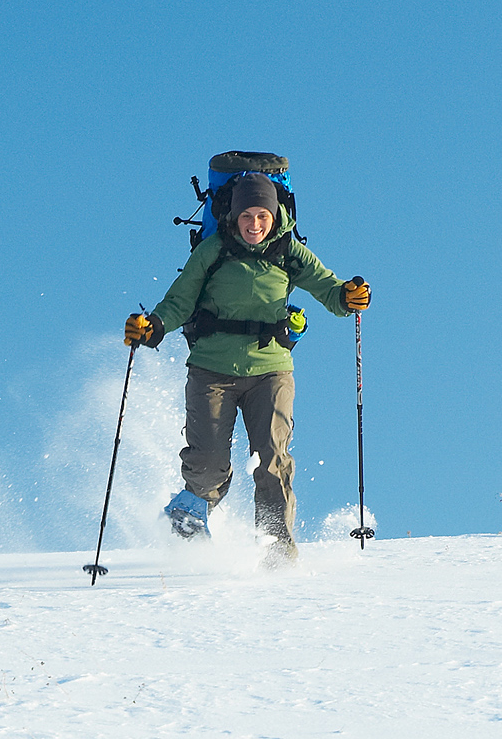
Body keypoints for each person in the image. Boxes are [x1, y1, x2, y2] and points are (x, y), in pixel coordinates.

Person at [124, 171, 370, 563]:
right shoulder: (213, 251)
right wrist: (152, 326)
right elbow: (179, 301)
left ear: (275, 216)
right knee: (206, 465)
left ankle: (277, 556)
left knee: (273, 460)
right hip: (210, 369)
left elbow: (326, 285)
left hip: (271, 370)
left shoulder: (289, 252)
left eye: (262, 216)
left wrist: (347, 296)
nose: (254, 225)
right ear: (233, 217)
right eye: (246, 217)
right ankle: (187, 533)